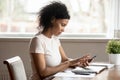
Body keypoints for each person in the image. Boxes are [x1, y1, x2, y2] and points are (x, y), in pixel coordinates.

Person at [29, 1, 92, 80]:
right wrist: (68, 63)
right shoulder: (37, 40)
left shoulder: (55, 39)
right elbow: (43, 72)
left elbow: (65, 60)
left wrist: (79, 61)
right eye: (62, 25)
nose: (63, 30)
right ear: (52, 19)